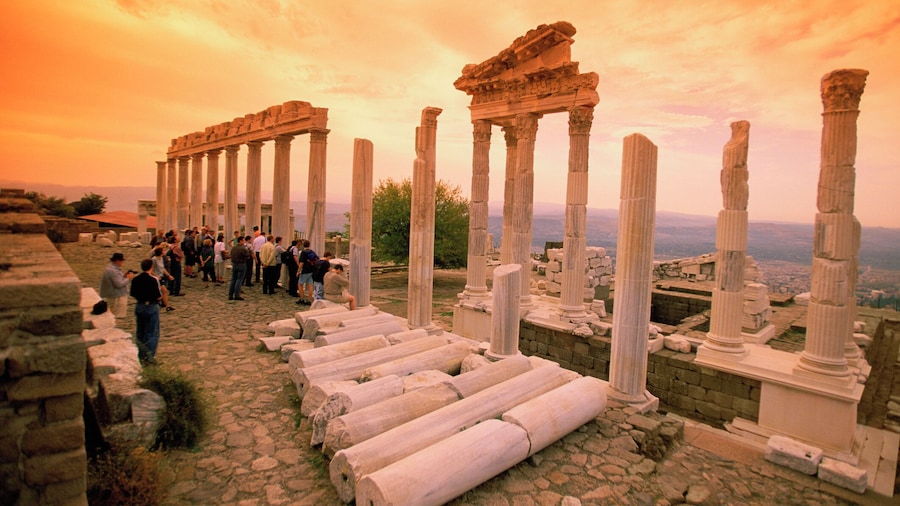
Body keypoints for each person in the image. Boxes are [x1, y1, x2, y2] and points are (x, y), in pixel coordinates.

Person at [130, 258, 162, 364]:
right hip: (151, 307)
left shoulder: (136, 279)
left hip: (139, 305)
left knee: (140, 332)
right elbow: (158, 296)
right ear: (151, 267)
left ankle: (141, 354)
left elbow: (133, 293)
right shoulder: (153, 280)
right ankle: (149, 357)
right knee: (152, 333)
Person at [99, 252, 134, 318]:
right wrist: (128, 278)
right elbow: (119, 284)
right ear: (117, 261)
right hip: (116, 297)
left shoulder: (112, 269)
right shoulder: (113, 271)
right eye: (121, 261)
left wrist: (124, 276)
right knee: (117, 316)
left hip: (114, 295)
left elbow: (118, 280)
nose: (122, 263)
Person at [150, 247, 175, 311]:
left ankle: (167, 306)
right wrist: (156, 276)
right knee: (164, 291)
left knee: (164, 292)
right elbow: (151, 270)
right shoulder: (154, 259)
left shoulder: (161, 259)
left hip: (161, 277)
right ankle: (165, 305)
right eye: (163, 251)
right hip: (156, 278)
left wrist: (169, 275)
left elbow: (163, 269)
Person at [228, 236, 251, 301]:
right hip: (241, 264)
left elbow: (231, 255)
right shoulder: (243, 248)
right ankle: (237, 295)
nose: (244, 242)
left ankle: (230, 295)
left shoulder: (234, 248)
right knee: (239, 280)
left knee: (233, 280)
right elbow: (248, 255)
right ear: (240, 241)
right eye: (243, 240)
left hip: (234, 264)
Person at [297, 240, 318, 304]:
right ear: (309, 245)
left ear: (303, 245)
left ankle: (302, 298)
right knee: (310, 285)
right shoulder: (312, 252)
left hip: (305, 270)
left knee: (300, 284)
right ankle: (309, 299)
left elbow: (301, 263)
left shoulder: (303, 252)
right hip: (311, 270)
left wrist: (298, 271)